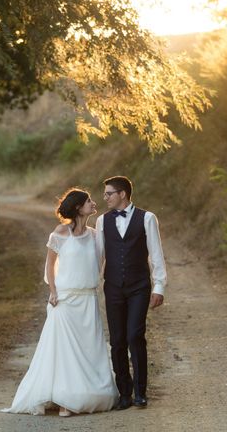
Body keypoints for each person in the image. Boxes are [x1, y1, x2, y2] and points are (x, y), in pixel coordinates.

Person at [1, 188, 118, 417]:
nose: (94, 204)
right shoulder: (60, 232)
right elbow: (50, 266)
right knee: (65, 351)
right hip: (65, 300)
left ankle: (86, 393)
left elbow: (102, 262)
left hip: (88, 299)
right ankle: (64, 399)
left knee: (89, 348)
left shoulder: (96, 235)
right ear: (77, 207)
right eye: (88, 201)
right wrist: (53, 292)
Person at [95, 176, 167, 410]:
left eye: (109, 193)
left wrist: (159, 287)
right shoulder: (101, 221)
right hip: (113, 286)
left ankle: (140, 392)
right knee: (117, 341)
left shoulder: (147, 218)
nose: (105, 198)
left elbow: (156, 255)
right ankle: (124, 393)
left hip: (139, 287)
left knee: (135, 336)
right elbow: (98, 257)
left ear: (123, 194)